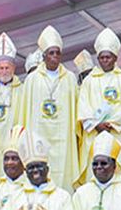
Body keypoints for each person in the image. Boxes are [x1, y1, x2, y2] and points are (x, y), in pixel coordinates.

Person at [76, 28, 121, 185]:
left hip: (118, 135)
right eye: (102, 57)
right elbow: (83, 106)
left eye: (108, 57)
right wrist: (96, 124)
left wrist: (111, 124)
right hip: (95, 133)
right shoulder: (89, 81)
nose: (105, 60)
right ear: (98, 58)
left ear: (115, 58)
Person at [22, 26, 80, 186]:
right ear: (44, 56)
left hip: (64, 137)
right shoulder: (32, 79)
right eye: (51, 53)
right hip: (38, 135)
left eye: (57, 53)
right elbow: (24, 113)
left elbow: (76, 110)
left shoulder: (69, 78)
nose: (54, 57)